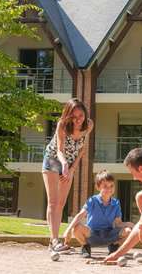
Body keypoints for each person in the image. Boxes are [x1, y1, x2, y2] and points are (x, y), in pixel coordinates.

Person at [42, 98, 93, 255]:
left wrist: (72, 169)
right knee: (53, 202)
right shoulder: (62, 125)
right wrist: (64, 164)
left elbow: (82, 149)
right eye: (74, 116)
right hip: (53, 160)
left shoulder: (88, 125)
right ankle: (54, 241)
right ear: (68, 115)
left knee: (61, 204)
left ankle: (54, 242)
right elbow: (59, 150)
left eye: (81, 115)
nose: (78, 120)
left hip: (69, 164)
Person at [61, 170, 133, 258]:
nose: (109, 189)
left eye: (111, 186)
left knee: (128, 231)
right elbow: (80, 215)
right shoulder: (92, 200)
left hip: (109, 235)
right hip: (92, 235)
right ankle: (85, 246)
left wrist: (130, 224)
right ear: (98, 187)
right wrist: (68, 229)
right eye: (105, 186)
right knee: (76, 228)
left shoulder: (116, 203)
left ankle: (114, 246)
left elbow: (118, 223)